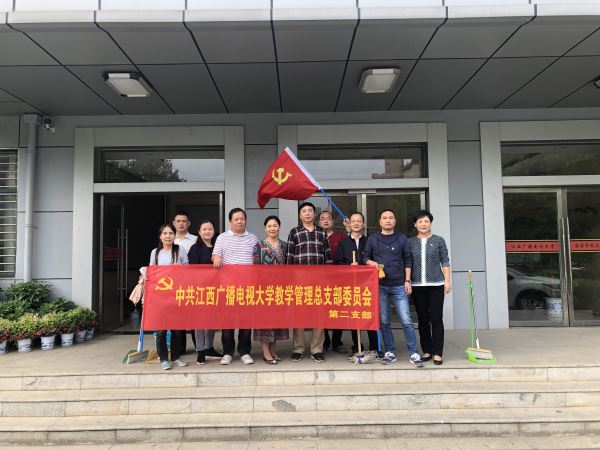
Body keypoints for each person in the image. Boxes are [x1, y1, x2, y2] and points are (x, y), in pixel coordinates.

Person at [364, 209, 423, 367]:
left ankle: (413, 352)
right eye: (385, 218)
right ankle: (390, 351)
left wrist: (407, 280)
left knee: (406, 320)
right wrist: (372, 263)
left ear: (395, 221)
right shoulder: (373, 239)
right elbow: (365, 257)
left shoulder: (401, 238)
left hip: (398, 284)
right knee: (384, 321)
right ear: (380, 221)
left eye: (391, 217)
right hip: (380, 286)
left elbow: (407, 260)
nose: (388, 220)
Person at [286, 202, 332, 363]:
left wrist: (328, 278)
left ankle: (316, 349)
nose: (307, 213)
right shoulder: (294, 232)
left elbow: (327, 256)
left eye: (310, 211)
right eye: (304, 211)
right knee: (299, 315)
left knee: (319, 314)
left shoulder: (322, 232)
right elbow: (289, 257)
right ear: (300, 215)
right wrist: (290, 279)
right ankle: (298, 349)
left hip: (319, 280)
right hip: (299, 279)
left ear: (314, 214)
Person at [212, 208, 258, 365]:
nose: (240, 221)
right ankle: (228, 352)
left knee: (246, 321)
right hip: (228, 287)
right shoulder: (222, 237)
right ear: (230, 221)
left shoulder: (253, 238)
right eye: (236, 219)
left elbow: (256, 259)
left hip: (247, 286)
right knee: (228, 321)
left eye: (242, 219)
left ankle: (244, 352)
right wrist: (216, 259)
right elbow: (216, 255)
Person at [408, 210, 451, 366]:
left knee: (436, 318)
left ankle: (437, 352)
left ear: (430, 223)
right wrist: (407, 281)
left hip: (436, 285)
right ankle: (427, 350)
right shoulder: (410, 242)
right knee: (423, 319)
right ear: (415, 224)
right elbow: (407, 263)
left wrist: (447, 281)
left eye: (426, 221)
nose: (423, 224)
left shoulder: (439, 240)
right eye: (420, 221)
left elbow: (445, 261)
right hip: (417, 285)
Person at [335, 211, 378, 355]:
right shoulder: (343, 243)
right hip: (350, 285)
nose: (356, 223)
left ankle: (374, 346)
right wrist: (348, 268)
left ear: (363, 224)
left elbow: (375, 260)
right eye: (353, 221)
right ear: (349, 224)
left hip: (368, 285)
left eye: (359, 221)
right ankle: (357, 345)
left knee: (370, 315)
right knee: (355, 316)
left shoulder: (370, 241)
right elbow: (338, 263)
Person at [149, 224, 189, 370]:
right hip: (160, 296)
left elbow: (188, 268)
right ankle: (164, 359)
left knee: (177, 329)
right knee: (161, 329)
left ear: (174, 235)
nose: (168, 236)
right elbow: (151, 272)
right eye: (165, 233)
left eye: (171, 233)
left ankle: (176, 357)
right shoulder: (155, 252)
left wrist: (179, 268)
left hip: (177, 294)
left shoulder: (180, 250)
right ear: (160, 236)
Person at [253, 215, 289, 364]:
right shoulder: (259, 246)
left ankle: (273, 350)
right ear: (265, 228)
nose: (272, 228)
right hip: (264, 290)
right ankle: (266, 353)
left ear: (279, 227)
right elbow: (255, 269)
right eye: (269, 226)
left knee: (277, 321)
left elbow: (289, 268)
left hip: (280, 289)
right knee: (265, 322)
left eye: (275, 226)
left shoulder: (285, 246)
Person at [188, 219, 223, 365]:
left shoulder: (218, 248)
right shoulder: (195, 248)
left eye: (210, 229)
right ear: (199, 232)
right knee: (200, 321)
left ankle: (209, 347)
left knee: (212, 320)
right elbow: (192, 270)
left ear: (214, 231)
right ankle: (200, 351)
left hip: (216, 289)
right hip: (200, 290)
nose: (207, 231)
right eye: (204, 229)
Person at [320, 210, 349, 354]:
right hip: (321, 280)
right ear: (318, 222)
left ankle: (337, 342)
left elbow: (351, 246)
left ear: (333, 221)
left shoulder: (341, 236)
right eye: (323, 218)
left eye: (329, 218)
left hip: (339, 279)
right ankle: (325, 341)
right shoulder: (317, 236)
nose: (326, 221)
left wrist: (349, 229)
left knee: (338, 311)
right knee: (323, 312)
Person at [172, 211, 198, 355]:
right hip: (174, 284)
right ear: (174, 223)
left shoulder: (195, 239)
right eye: (178, 221)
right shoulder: (169, 238)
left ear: (189, 223)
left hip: (193, 283)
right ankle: (180, 347)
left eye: (184, 221)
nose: (181, 223)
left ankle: (198, 346)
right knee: (178, 317)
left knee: (194, 316)